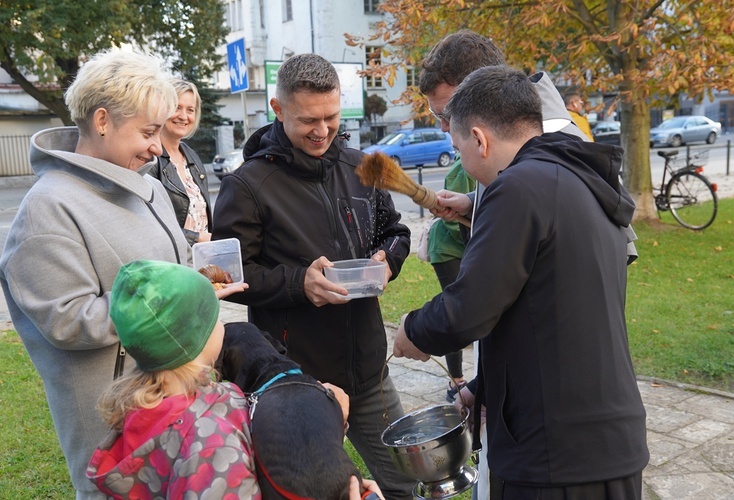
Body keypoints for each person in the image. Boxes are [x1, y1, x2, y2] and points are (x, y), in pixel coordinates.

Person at [394, 65, 649, 499]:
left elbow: (470, 307)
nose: (462, 161)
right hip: (607, 441)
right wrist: (482, 387)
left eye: (458, 149)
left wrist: (413, 330)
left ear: (479, 139)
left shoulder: (516, 189)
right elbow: (548, 314)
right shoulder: (579, 177)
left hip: (554, 456)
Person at [0, 50, 242, 499]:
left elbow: (174, 268)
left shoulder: (149, 186)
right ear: (104, 120)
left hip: (176, 397)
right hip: (114, 422)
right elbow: (68, 320)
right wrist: (179, 299)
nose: (156, 145)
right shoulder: (47, 208)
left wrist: (196, 284)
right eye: (148, 131)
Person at [212, 53, 415, 499]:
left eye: (331, 117)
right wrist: (297, 283)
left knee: (404, 482)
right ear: (278, 108)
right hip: (297, 384)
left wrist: (388, 259)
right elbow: (229, 276)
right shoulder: (247, 186)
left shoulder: (364, 167)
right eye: (308, 120)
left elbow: (397, 231)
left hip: (367, 369)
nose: (322, 131)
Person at [86, 260, 259, 497]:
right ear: (196, 340)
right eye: (214, 317)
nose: (221, 325)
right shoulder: (213, 450)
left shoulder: (143, 406)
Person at [426, 161, 476, 402]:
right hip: (448, 250)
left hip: (465, 249)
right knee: (456, 311)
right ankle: (455, 380)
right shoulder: (463, 168)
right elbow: (451, 221)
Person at [148, 79, 213, 245]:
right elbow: (149, 223)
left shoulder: (192, 157)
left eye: (190, 110)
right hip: (173, 261)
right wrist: (196, 239)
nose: (184, 116)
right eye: (177, 107)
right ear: (161, 110)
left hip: (201, 258)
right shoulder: (149, 158)